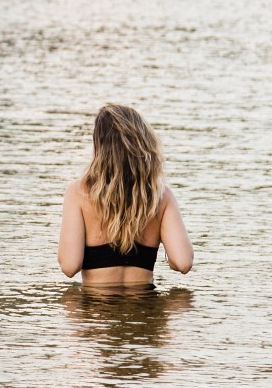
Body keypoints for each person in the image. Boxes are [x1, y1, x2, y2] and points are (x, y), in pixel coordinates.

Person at [57, 104, 193, 288]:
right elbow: (183, 263)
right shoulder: (160, 196)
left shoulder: (78, 192)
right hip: (145, 309)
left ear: (100, 146)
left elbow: (69, 266)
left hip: (97, 312)